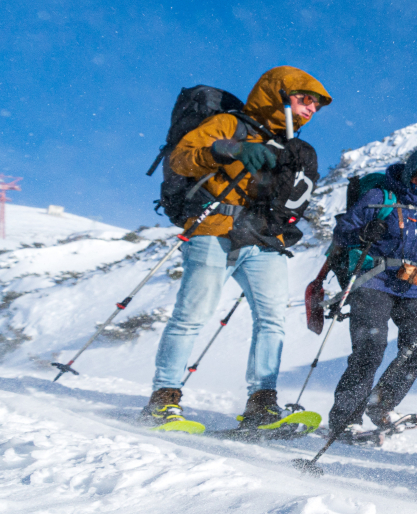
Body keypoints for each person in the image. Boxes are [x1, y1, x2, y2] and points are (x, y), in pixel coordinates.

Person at [140, 66, 327, 429]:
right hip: (215, 228)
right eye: (304, 98)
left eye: (317, 104)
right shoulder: (230, 123)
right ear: (278, 94)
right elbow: (181, 158)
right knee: (191, 316)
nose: (311, 107)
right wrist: (229, 150)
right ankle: (163, 398)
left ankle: (262, 404)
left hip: (263, 239)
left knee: (272, 321)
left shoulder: (294, 146)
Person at [324, 147, 417, 442]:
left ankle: (381, 405)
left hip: (413, 286)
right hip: (372, 280)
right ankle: (345, 419)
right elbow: (342, 232)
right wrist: (363, 234)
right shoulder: (380, 197)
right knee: (370, 349)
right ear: (408, 172)